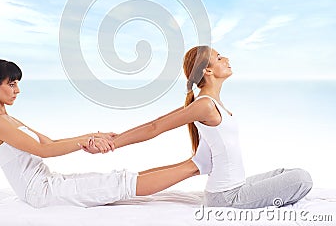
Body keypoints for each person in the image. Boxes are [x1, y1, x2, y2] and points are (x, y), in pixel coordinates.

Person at [0, 59, 212, 208]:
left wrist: (92, 135)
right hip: (40, 193)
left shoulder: (7, 119)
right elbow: (45, 151)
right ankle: (196, 166)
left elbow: (50, 141)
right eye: (12, 84)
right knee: (119, 184)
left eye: (17, 83)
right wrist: (85, 141)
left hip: (48, 183)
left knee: (118, 177)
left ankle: (194, 164)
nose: (17, 90)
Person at [92, 46, 313, 209]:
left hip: (235, 188)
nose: (226, 58)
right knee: (302, 178)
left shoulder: (213, 104)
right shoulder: (205, 105)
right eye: (218, 57)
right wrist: (114, 141)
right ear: (208, 71)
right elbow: (155, 126)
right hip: (227, 198)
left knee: (288, 173)